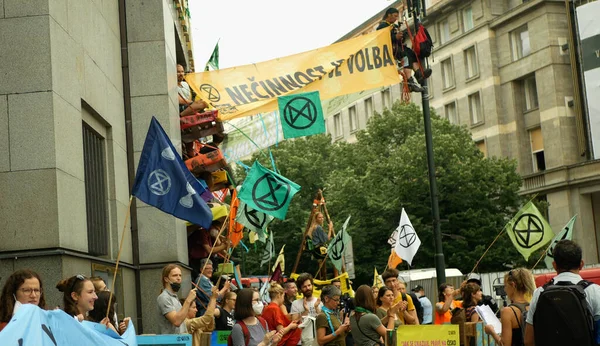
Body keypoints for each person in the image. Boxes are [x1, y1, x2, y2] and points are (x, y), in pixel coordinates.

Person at [525, 240, 600, 346]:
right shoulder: (595, 291)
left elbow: (528, 341)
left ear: (554, 265)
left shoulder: (539, 293)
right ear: (581, 264)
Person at [376, 8, 431, 93]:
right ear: (389, 15)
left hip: (399, 47)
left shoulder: (393, 26)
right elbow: (382, 39)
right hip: (392, 49)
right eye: (394, 16)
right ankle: (410, 82)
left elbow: (398, 39)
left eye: (397, 16)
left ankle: (418, 74)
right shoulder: (382, 26)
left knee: (411, 54)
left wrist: (402, 36)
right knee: (406, 56)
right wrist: (395, 37)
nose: (396, 19)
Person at [484, 268, 535, 346]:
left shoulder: (508, 311)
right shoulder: (532, 307)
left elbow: (504, 344)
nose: (505, 289)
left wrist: (492, 332)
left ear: (513, 285)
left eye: (505, 286)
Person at [156, 264, 197, 334]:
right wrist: (188, 300)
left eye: (180, 275)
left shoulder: (174, 297)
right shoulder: (164, 297)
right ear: (166, 279)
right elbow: (176, 321)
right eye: (175, 275)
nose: (178, 278)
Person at [290, 273, 323, 345]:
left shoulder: (319, 301)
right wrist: (305, 311)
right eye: (304, 286)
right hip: (302, 342)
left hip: (318, 340)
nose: (307, 288)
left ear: (312, 285)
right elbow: (294, 324)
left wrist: (316, 308)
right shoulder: (295, 303)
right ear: (300, 289)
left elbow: (323, 322)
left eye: (309, 285)